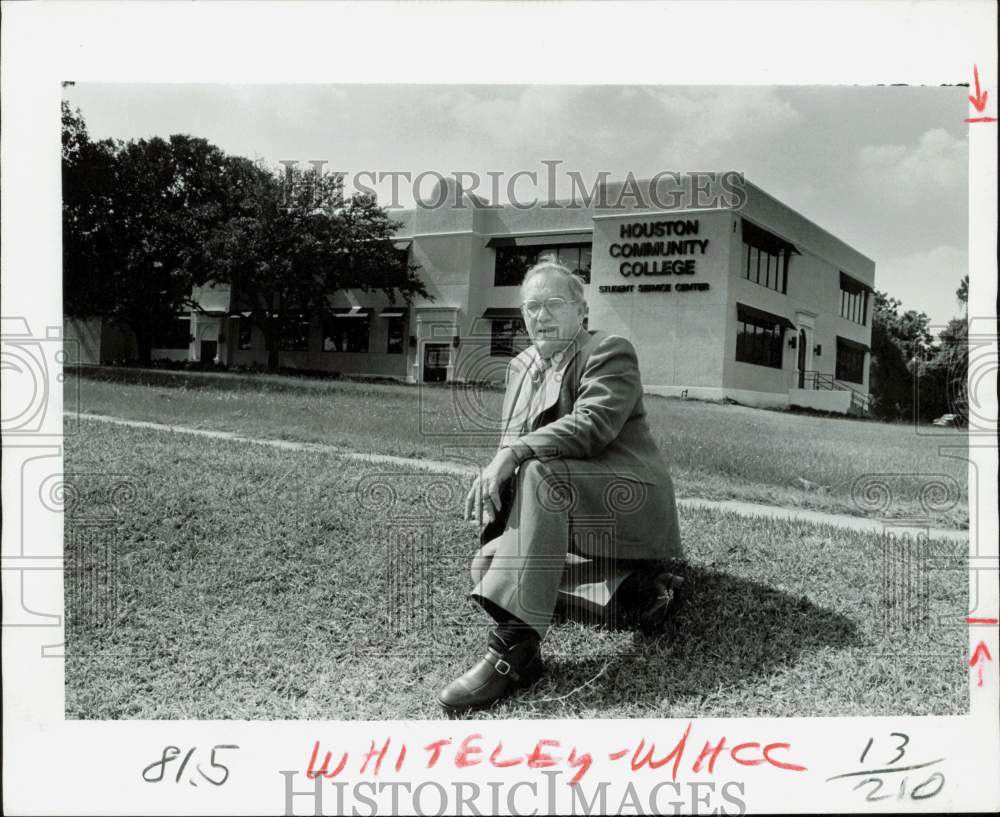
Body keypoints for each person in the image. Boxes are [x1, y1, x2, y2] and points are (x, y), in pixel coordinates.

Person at [436, 260, 684, 715]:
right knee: (485, 568)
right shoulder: (521, 366)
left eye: (553, 304)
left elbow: (592, 426)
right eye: (531, 307)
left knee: (539, 473)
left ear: (580, 311)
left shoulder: (609, 350)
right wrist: (500, 497)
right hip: (560, 505)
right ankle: (633, 592)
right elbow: (510, 443)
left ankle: (515, 650)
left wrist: (512, 457)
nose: (540, 316)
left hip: (623, 499)